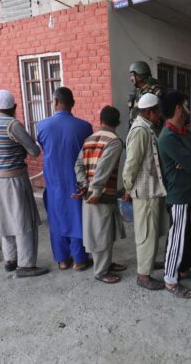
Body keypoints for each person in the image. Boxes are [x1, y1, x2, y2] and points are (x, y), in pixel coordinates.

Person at [0, 90, 48, 277]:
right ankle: (26, 265)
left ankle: (10, 260)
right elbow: (34, 151)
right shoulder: (12, 125)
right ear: (14, 107)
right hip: (15, 179)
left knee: (5, 221)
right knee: (23, 222)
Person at [158, 89, 191, 298]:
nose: (189, 109)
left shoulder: (184, 132)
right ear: (178, 108)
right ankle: (170, 280)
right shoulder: (168, 137)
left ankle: (183, 269)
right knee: (176, 239)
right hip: (179, 197)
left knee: (189, 236)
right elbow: (190, 164)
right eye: (186, 105)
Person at [37, 87, 93, 271]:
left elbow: (43, 147)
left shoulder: (42, 126)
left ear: (54, 102)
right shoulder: (84, 127)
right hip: (76, 180)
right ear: (73, 103)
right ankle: (79, 259)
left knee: (56, 217)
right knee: (77, 216)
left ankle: (62, 259)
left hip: (53, 181)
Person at [74, 106, 127, 284]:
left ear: (100, 121)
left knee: (105, 231)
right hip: (100, 195)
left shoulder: (89, 139)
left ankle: (106, 264)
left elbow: (78, 165)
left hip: (91, 192)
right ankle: (101, 271)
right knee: (101, 233)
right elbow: (104, 168)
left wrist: (83, 184)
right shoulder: (115, 141)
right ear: (118, 123)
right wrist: (95, 190)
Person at [122, 93, 169, 290]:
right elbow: (131, 163)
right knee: (146, 234)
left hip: (152, 190)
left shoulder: (147, 127)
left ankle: (148, 265)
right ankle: (143, 276)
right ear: (148, 111)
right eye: (157, 111)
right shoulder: (140, 130)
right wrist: (127, 187)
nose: (160, 115)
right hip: (145, 191)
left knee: (154, 231)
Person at [128, 61, 163, 129]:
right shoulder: (137, 92)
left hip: (150, 131)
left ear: (140, 76)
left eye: (133, 75)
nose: (131, 78)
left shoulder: (156, 91)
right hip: (136, 128)